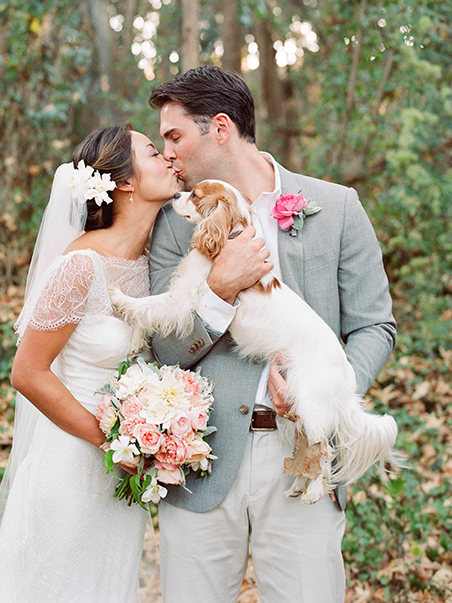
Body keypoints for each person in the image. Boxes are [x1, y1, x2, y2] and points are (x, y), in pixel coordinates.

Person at [147, 66, 397, 603]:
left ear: (220, 128)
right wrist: (218, 290)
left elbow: (375, 324)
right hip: (202, 458)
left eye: (175, 137)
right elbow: (163, 350)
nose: (167, 154)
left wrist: (321, 391)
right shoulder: (173, 221)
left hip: (305, 454)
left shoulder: (337, 208)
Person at [0, 124, 179, 603]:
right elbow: (27, 373)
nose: (170, 159)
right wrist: (112, 440)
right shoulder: (79, 267)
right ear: (127, 182)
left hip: (122, 473)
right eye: (154, 152)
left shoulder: (153, 261)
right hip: (72, 465)